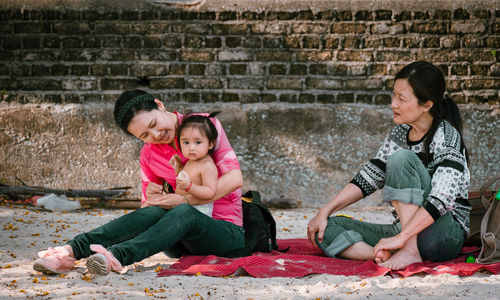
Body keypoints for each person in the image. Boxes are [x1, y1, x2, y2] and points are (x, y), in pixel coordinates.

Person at [33, 90, 244, 276]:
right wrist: (154, 197)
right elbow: (145, 210)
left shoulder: (202, 127)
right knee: (158, 211)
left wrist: (183, 199)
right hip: (177, 240)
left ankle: (114, 257)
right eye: (145, 135)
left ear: (159, 105)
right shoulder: (149, 154)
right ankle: (67, 252)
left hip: (224, 232)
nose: (156, 135)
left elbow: (235, 178)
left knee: (183, 211)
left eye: (153, 124)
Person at [307, 61, 471, 270]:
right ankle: (380, 254)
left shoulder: (446, 136)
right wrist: (324, 211)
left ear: (427, 105)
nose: (393, 104)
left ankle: (409, 250)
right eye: (394, 95)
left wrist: (403, 237)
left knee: (401, 159)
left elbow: (441, 200)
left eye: (401, 99)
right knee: (326, 228)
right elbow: (369, 177)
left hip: (442, 235)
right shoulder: (400, 133)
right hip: (404, 231)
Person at [169, 112, 221, 216]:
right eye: (186, 142)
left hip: (199, 212)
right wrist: (179, 167)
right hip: (183, 208)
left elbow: (210, 192)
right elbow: (191, 176)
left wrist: (189, 187)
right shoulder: (191, 161)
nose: (191, 148)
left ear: (210, 143)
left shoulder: (207, 165)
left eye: (197, 142)